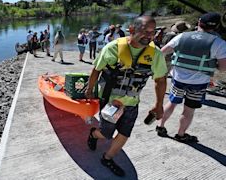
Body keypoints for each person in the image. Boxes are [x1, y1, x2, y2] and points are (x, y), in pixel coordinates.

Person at [85, 16, 167, 177]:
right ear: (131, 30)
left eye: (152, 32)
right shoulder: (112, 48)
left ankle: (107, 158)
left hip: (132, 102)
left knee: (125, 133)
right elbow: (96, 69)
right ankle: (94, 133)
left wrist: (159, 104)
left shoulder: (155, 54)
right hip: (110, 101)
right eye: (145, 31)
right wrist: (90, 89)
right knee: (106, 133)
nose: (149, 36)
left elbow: (160, 80)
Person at [156, 12, 226, 143]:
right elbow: (223, 68)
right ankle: (181, 134)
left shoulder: (182, 36)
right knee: (188, 110)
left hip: (178, 80)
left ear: (199, 23)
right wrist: (212, 64)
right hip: (198, 83)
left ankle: (160, 126)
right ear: (216, 27)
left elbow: (162, 52)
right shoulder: (219, 43)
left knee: (171, 103)